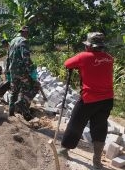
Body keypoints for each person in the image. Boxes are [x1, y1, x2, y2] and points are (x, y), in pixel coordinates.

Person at [58, 32, 113, 170]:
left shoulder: (83, 57)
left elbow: (67, 63)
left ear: (89, 46)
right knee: (100, 127)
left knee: (76, 122)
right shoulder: (109, 58)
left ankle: (64, 150)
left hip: (89, 98)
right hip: (107, 99)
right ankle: (97, 162)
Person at [6, 26, 37, 120]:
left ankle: (11, 113)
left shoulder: (12, 41)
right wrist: (32, 71)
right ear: (26, 33)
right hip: (22, 71)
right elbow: (26, 58)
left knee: (14, 91)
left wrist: (7, 71)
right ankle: (23, 107)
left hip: (13, 71)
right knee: (33, 87)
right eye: (27, 33)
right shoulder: (23, 41)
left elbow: (8, 58)